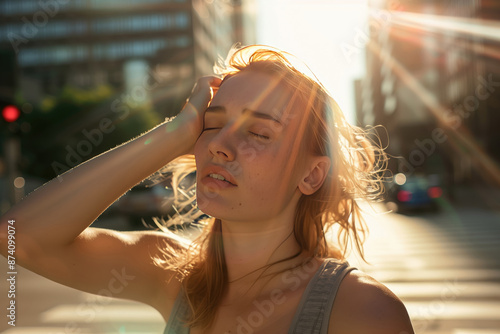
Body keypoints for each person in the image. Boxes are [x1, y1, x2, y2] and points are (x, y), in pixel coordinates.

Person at [0, 45, 414, 334]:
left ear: (311, 175)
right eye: (212, 124)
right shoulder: (171, 274)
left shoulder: (364, 312)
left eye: (259, 132)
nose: (218, 143)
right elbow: (19, 236)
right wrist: (173, 134)